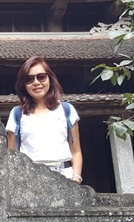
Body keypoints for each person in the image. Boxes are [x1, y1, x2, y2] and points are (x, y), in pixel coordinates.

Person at [5, 56, 83, 184]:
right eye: (29, 79)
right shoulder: (17, 113)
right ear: (24, 85)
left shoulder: (67, 110)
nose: (36, 82)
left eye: (41, 77)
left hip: (65, 178)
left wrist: (76, 178)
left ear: (50, 80)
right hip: (30, 181)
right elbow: (11, 156)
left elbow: (76, 151)